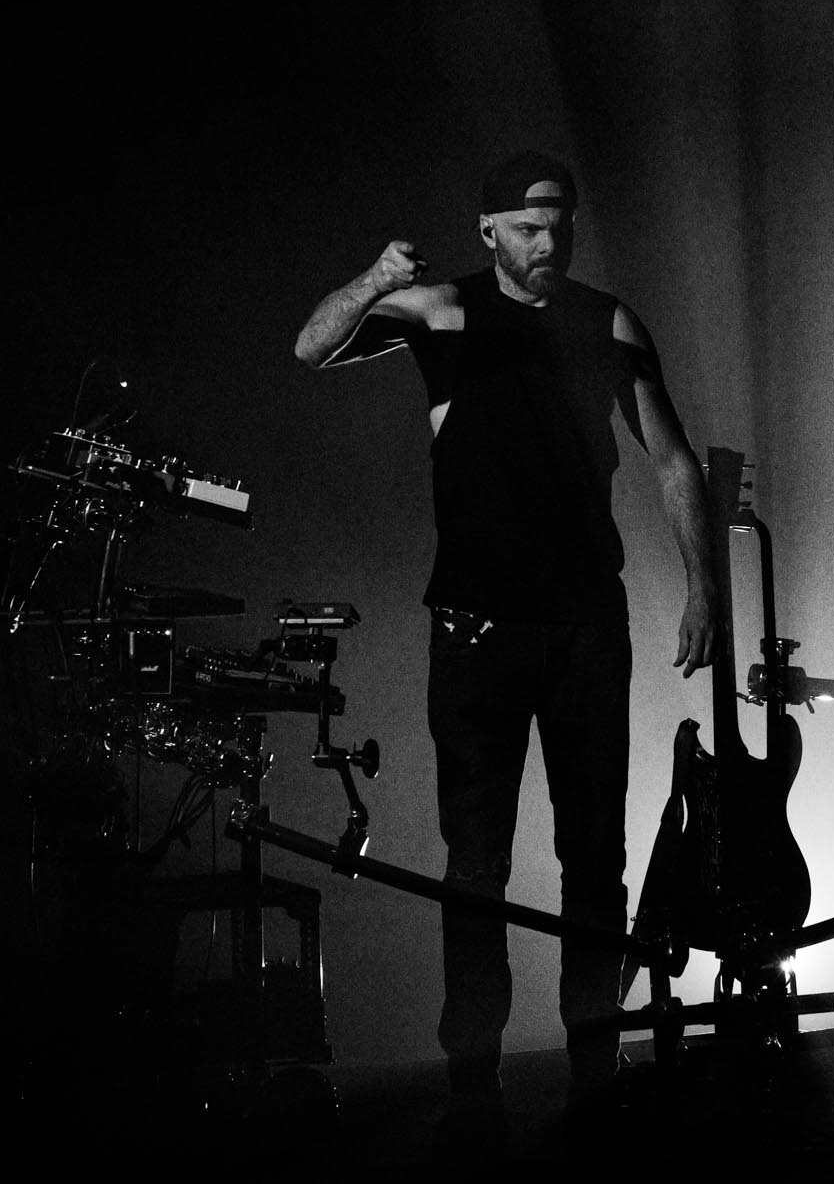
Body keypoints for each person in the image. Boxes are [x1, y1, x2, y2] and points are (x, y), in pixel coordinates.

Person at [294, 151, 716, 1132]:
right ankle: (471, 1082)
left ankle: (594, 1066)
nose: (547, 241)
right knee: (475, 864)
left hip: (586, 625)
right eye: (527, 226)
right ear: (488, 230)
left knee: (596, 858)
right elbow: (311, 347)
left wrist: (703, 587)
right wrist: (375, 278)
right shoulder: (443, 311)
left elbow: (673, 460)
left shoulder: (608, 322)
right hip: (476, 627)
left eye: (559, 223)